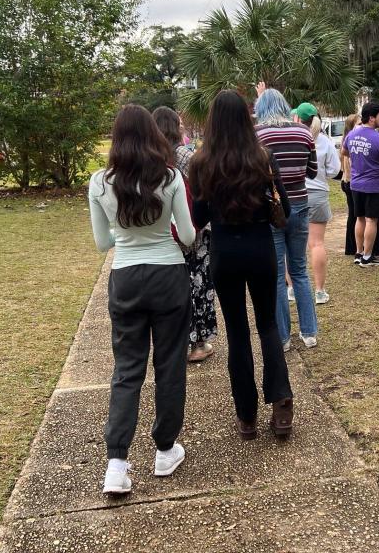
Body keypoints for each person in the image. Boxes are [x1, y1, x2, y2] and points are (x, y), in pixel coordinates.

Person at [88, 104, 195, 495]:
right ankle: (165, 449)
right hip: (168, 276)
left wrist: (127, 235)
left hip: (126, 278)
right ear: (152, 134)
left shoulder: (99, 182)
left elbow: (103, 243)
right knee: (169, 366)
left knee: (127, 370)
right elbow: (187, 236)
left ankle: (116, 463)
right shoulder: (170, 178)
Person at [190, 90, 294, 440]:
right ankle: (281, 403)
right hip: (260, 248)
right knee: (267, 326)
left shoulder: (202, 162)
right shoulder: (262, 157)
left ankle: (246, 414)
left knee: (237, 333)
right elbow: (286, 211)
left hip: (225, 253)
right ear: (247, 119)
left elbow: (198, 215)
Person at [254, 87, 319, 350]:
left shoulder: (258, 136)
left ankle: (282, 337)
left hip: (271, 208)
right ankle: (309, 331)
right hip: (301, 203)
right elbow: (312, 172)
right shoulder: (303, 132)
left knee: (278, 275)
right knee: (300, 270)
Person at [152, 106, 217, 363]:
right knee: (197, 287)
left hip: (164, 234)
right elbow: (205, 189)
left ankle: (174, 342)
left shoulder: (151, 158)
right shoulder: (185, 156)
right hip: (193, 231)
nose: (182, 127)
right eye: (179, 123)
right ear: (172, 127)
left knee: (174, 291)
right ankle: (197, 344)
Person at [295, 103, 341, 306]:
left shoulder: (292, 137)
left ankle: (290, 289)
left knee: (291, 244)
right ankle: (320, 291)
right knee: (317, 243)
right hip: (318, 194)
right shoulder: (324, 141)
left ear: (298, 118)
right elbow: (334, 170)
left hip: (295, 194)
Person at [343, 102, 379, 267]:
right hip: (373, 186)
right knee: (372, 220)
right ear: (372, 118)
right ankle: (367, 257)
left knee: (359, 218)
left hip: (355, 185)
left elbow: (344, 152)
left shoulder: (352, 134)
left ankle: (359, 253)